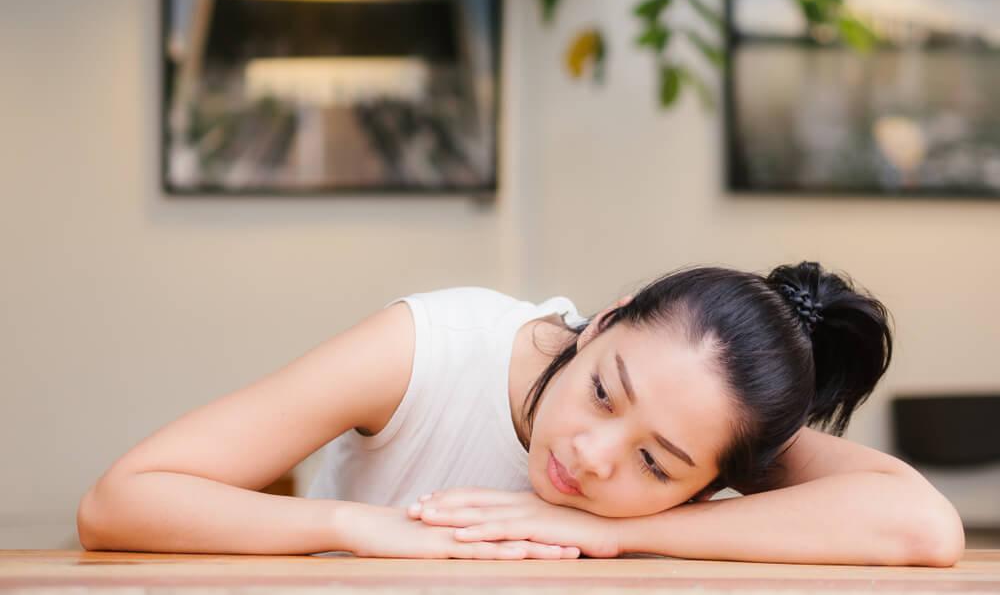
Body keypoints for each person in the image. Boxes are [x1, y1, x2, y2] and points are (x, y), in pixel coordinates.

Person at [76, 261, 965, 564]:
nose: (592, 454)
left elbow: (923, 527)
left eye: (657, 467)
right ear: (605, 320)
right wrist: (359, 526)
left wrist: (619, 535)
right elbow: (122, 499)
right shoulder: (431, 346)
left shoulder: (708, 424)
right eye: (605, 390)